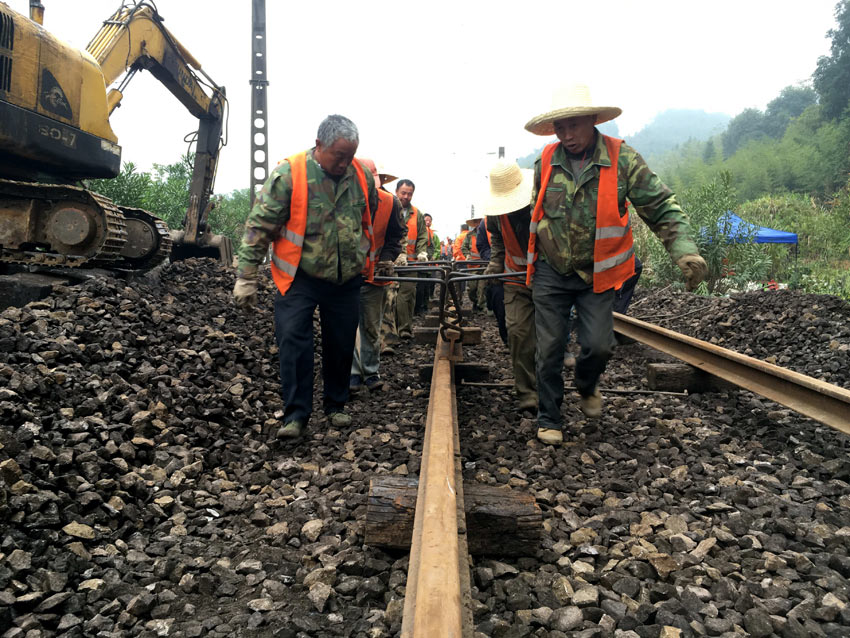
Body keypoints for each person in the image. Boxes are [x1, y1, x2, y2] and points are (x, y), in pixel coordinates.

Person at [524, 84, 707, 445]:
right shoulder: (545, 160)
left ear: (593, 120)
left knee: (599, 346)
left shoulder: (623, 159)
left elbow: (659, 205)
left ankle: (586, 383)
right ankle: (550, 417)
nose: (567, 134)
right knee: (548, 349)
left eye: (573, 125)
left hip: (599, 272)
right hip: (551, 271)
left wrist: (684, 250)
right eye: (560, 127)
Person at [233, 114, 378, 439]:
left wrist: (368, 261)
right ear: (319, 146)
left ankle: (336, 405)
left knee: (341, 343)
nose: (344, 162)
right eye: (338, 155)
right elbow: (259, 227)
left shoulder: (361, 176)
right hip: (300, 277)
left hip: (345, 280)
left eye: (350, 155)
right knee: (294, 341)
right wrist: (246, 277)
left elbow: (365, 220)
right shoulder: (291, 174)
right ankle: (296, 416)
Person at [482, 161, 536, 411]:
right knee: (517, 332)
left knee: (549, 337)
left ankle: (547, 387)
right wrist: (495, 263)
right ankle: (527, 393)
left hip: (548, 276)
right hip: (515, 277)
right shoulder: (495, 214)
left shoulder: (542, 203)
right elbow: (498, 241)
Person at [350, 159, 405, 393]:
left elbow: (396, 236)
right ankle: (353, 373)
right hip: (344, 275)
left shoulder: (390, 203)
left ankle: (370, 371)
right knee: (348, 326)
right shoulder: (343, 199)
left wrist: (388, 258)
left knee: (371, 326)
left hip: (374, 274)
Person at [394, 179, 428, 339]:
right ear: (397, 192)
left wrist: (422, 252)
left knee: (408, 294)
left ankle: (405, 328)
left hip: (411, 263)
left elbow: (422, 235)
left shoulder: (417, 214)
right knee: (391, 296)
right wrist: (397, 253)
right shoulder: (389, 208)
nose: (406, 196)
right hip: (391, 262)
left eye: (409, 194)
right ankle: (393, 329)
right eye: (403, 193)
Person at [415, 213, 439, 314]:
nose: (427, 222)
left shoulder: (432, 234)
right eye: (426, 220)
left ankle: (423, 307)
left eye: (429, 220)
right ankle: (418, 308)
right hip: (417, 264)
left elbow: (435, 248)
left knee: (426, 287)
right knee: (419, 288)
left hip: (427, 265)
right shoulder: (418, 231)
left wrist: (433, 257)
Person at [461, 217, 485, 313]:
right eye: (476, 222)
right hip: (472, 266)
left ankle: (481, 306)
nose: (478, 223)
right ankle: (475, 302)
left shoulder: (487, 234)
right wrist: (467, 255)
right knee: (472, 288)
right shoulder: (469, 235)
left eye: (480, 221)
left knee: (482, 287)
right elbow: (464, 247)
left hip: (484, 265)